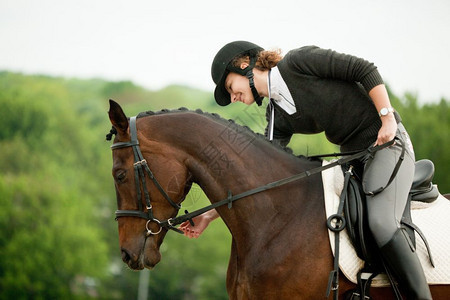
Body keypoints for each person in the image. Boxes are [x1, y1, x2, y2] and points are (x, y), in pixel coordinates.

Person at [179, 41, 431, 299]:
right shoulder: (276, 114)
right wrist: (210, 214)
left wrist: (387, 118)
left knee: (380, 222)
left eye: (231, 88)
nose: (233, 97)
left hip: (386, 143)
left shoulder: (298, 62)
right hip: (353, 160)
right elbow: (261, 177)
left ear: (244, 65)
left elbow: (364, 69)